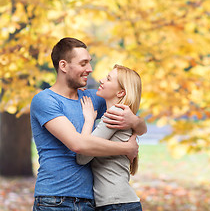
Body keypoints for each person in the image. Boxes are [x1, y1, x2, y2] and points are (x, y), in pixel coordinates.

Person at [30, 37, 147, 211]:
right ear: (63, 66)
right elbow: (77, 144)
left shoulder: (91, 98)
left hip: (90, 202)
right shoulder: (45, 100)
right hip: (54, 199)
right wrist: (126, 149)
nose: (90, 69)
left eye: (89, 63)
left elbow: (128, 112)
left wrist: (135, 121)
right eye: (83, 63)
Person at [76, 64, 143, 211]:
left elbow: (82, 157)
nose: (101, 80)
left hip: (116, 204)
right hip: (120, 202)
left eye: (108, 79)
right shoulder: (124, 114)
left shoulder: (115, 115)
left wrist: (89, 120)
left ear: (120, 93)